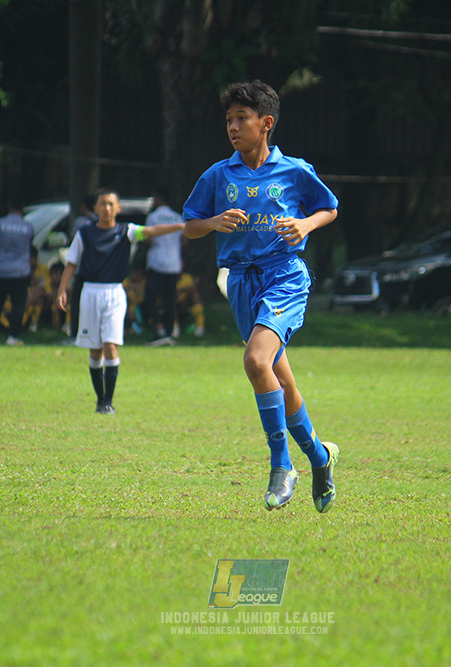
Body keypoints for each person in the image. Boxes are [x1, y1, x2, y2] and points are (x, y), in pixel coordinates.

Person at [182, 80, 340, 513]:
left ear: (265, 123)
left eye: (241, 118)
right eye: (228, 120)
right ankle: (320, 459)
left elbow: (329, 208)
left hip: (284, 276)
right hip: (241, 283)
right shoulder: (218, 175)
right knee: (281, 382)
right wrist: (213, 222)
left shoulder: (294, 170)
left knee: (255, 361)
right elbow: (190, 225)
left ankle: (282, 465)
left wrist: (305, 224)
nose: (232, 127)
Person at [56, 187, 185, 414]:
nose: (106, 208)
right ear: (95, 208)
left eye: (110, 204)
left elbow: (153, 230)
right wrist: (62, 289)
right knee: (95, 350)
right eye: (102, 204)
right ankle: (100, 400)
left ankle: (108, 401)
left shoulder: (127, 231)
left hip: (114, 293)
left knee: (110, 346)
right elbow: (71, 263)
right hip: (90, 292)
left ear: (118, 208)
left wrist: (182, 226)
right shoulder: (85, 234)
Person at [0, 198, 33, 346]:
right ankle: (13, 336)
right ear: (23, 208)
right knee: (18, 304)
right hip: (21, 271)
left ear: (9, 205)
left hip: (1, 270)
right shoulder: (28, 227)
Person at [143, 190, 186, 345]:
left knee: (150, 297)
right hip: (173, 263)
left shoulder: (153, 217)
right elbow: (184, 240)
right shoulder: (177, 217)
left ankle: (158, 328)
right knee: (170, 300)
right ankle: (169, 331)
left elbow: (148, 240)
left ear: (158, 199)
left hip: (157, 262)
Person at [69, 194, 99, 339]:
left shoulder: (81, 223)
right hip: (99, 271)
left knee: (77, 304)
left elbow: (73, 243)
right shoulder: (101, 222)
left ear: (84, 207)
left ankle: (75, 334)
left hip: (83, 269)